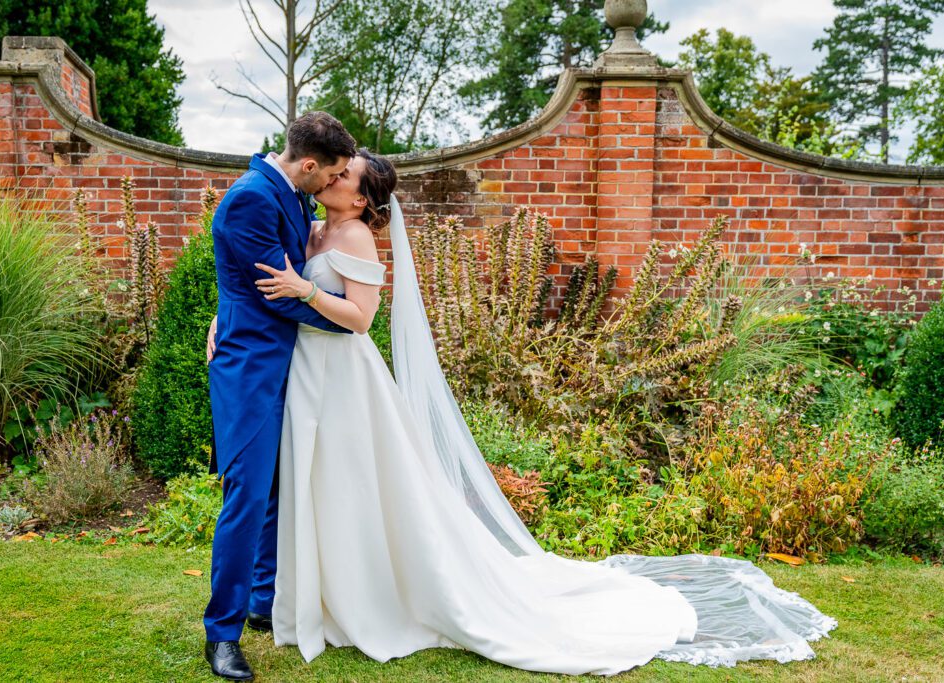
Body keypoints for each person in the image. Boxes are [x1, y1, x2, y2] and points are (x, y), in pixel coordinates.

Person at [207, 146, 839, 679]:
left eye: (347, 177)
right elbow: (256, 276)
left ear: (362, 200)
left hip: (342, 376)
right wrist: (226, 316)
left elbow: (360, 320)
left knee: (355, 487)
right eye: (336, 170)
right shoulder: (305, 217)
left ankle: (365, 596)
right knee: (310, 487)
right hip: (303, 372)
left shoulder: (354, 237)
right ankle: (297, 598)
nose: (336, 179)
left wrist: (308, 290)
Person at [203, 112, 360, 681]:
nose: (333, 187)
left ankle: (261, 600)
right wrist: (351, 323)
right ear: (311, 165)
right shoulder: (252, 198)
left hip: (288, 361)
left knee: (274, 487)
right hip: (249, 367)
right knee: (247, 494)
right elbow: (275, 292)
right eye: (334, 174)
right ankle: (221, 634)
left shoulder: (290, 193)